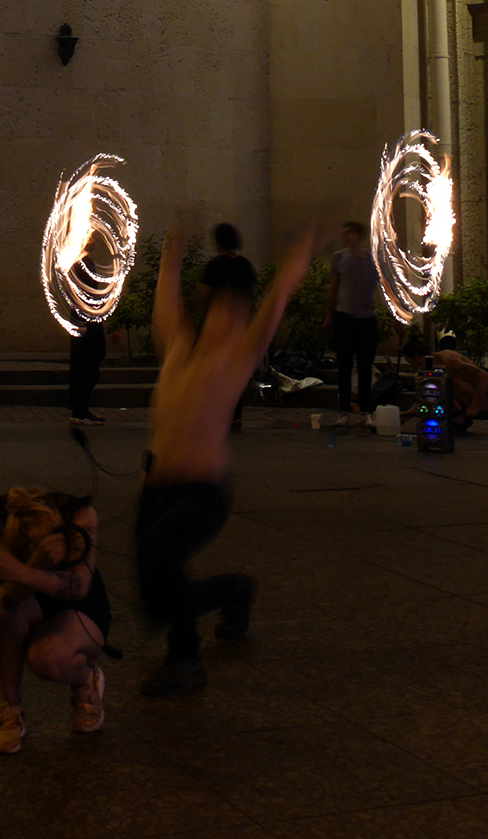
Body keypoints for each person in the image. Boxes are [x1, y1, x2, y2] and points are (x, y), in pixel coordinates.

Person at [135, 214, 324, 696]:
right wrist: (170, 260)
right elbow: (165, 307)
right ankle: (232, 591)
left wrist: (300, 251)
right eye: (221, 307)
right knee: (155, 599)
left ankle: (186, 658)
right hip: (156, 489)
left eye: (237, 311)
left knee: (160, 556)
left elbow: (278, 296)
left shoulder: (236, 360)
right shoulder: (179, 350)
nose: (227, 314)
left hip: (203, 493)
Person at [0, 485, 110, 754]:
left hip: (80, 605)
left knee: (46, 658)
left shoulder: (81, 516)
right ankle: (10, 709)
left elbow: (79, 588)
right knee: (4, 606)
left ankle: (86, 679)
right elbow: (12, 593)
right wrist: (33, 566)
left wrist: (26, 572)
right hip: (27, 596)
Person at [198, 223, 258, 430]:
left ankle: (217, 412)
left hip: (218, 323)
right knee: (236, 370)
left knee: (215, 369)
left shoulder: (215, 266)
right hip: (240, 323)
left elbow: (203, 294)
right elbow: (253, 294)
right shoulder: (245, 265)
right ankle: (236, 414)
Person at [323, 220, 380, 424]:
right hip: (344, 316)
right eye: (344, 233)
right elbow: (333, 288)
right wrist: (328, 315)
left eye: (350, 233)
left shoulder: (372, 258)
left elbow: (383, 288)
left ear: (358, 235)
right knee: (344, 365)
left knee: (365, 365)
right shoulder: (339, 257)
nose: (346, 237)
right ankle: (344, 410)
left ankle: (365, 410)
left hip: (366, 317)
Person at [400, 331, 488, 430]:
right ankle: (455, 417)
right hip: (459, 400)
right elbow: (424, 396)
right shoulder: (430, 367)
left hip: (476, 398)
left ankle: (459, 417)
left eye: (411, 362)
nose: (412, 366)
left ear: (418, 357)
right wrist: (404, 417)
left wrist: (474, 406)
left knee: (443, 379)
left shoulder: (448, 360)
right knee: (431, 384)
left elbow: (484, 376)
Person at [68, 318, 106, 426]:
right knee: (88, 369)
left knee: (85, 368)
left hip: (86, 320)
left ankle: (79, 411)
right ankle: (80, 412)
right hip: (87, 322)